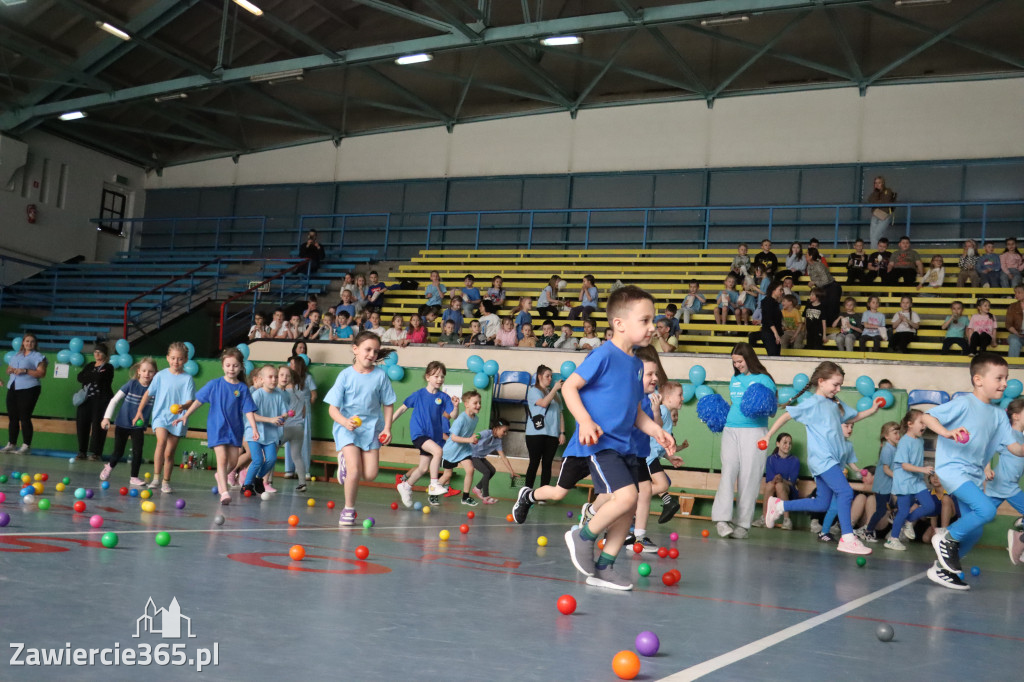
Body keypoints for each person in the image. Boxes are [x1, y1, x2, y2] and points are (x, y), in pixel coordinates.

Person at [561, 286, 675, 590]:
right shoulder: (603, 355)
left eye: (654, 320)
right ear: (619, 323)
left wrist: (657, 431)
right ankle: (582, 536)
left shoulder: (637, 365)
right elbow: (569, 388)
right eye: (646, 320)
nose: (653, 326)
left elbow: (635, 411)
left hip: (625, 446)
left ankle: (604, 568)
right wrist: (584, 420)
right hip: (602, 445)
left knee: (631, 502)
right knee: (625, 496)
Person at [920, 352, 1024, 589]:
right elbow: (927, 417)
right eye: (999, 378)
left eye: (1006, 378)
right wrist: (946, 432)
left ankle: (941, 569)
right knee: (987, 510)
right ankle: (946, 536)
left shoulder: (998, 415)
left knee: (975, 530)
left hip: (973, 475)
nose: (1005, 383)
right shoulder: (964, 403)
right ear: (978, 380)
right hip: (953, 469)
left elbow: (1016, 449)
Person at [763, 361, 880, 555]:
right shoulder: (811, 404)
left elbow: (851, 417)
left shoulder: (835, 403)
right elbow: (786, 416)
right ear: (821, 382)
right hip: (823, 459)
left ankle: (779, 505)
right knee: (846, 493)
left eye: (840, 384)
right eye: (835, 384)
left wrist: (872, 411)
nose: (838, 388)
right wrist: (768, 435)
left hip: (832, 460)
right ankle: (847, 538)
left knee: (822, 503)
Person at [325, 332, 396, 525]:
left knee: (371, 474)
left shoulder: (380, 376)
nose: (372, 354)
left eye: (375, 351)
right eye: (367, 349)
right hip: (346, 427)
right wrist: (344, 422)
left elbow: (388, 403)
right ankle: (348, 509)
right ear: (355, 349)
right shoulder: (345, 376)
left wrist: (387, 428)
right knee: (354, 471)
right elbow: (333, 408)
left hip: (371, 429)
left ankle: (346, 463)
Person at [172, 348, 258, 504]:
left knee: (233, 461)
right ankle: (224, 492)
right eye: (228, 365)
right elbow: (198, 401)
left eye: (235, 365)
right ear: (223, 366)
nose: (231, 369)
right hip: (217, 428)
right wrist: (185, 414)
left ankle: (221, 477)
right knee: (223, 459)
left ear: (240, 367)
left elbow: (249, 411)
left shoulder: (242, 388)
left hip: (235, 430)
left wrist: (255, 428)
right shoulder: (214, 384)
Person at [713, 343, 777, 539]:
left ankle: (743, 525)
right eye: (734, 362)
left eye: (740, 361)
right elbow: (735, 403)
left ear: (749, 358)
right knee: (728, 472)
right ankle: (722, 520)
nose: (737, 365)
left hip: (755, 431)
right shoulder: (735, 379)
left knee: (750, 477)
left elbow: (772, 408)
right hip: (731, 428)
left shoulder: (764, 380)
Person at [134, 342, 195, 494]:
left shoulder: (188, 379)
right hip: (161, 416)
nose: (176, 362)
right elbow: (148, 393)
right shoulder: (160, 375)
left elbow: (190, 401)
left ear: (186, 360)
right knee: (161, 442)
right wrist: (139, 411)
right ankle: (156, 478)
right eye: (173, 358)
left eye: (180, 359)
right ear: (167, 358)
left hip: (177, 419)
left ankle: (166, 482)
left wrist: (183, 407)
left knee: (169, 453)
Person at [393, 361, 455, 508]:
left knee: (423, 468)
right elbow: (402, 408)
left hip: (433, 436)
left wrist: (456, 406)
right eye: (436, 376)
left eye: (442, 377)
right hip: (419, 433)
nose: (440, 379)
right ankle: (434, 484)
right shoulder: (419, 394)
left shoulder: (444, 397)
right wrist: (388, 424)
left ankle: (406, 486)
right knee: (438, 451)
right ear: (428, 377)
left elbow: (453, 414)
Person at [885, 409, 937, 551]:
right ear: (910, 424)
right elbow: (904, 465)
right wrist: (923, 470)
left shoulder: (919, 440)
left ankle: (908, 521)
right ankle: (892, 539)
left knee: (930, 506)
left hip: (916, 480)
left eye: (925, 423)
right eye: (921, 422)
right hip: (904, 481)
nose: (924, 426)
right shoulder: (904, 442)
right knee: (903, 510)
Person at [100, 357, 157, 485]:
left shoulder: (155, 389)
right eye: (144, 370)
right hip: (123, 423)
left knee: (138, 451)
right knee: (118, 452)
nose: (147, 374)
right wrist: (106, 418)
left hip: (138, 426)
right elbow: (114, 400)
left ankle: (134, 477)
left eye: (151, 371)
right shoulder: (131, 384)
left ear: (155, 373)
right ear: (139, 371)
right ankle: (109, 466)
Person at [984, 398, 1024, 565]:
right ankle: (1019, 536)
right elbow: (987, 448)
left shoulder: (1020, 436)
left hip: (999, 486)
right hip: (1006, 484)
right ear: (1015, 416)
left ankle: (951, 537)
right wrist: (986, 468)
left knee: (979, 517)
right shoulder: (1008, 434)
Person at [239, 365, 289, 497]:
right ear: (261, 379)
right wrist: (270, 419)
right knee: (257, 460)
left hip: (271, 434)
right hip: (254, 433)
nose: (274, 379)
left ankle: (258, 478)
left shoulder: (278, 395)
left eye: (275, 377)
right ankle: (246, 485)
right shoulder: (257, 394)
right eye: (270, 377)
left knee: (271, 459)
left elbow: (284, 413)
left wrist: (282, 418)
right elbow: (251, 415)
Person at [3, 333, 47, 454]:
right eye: (27, 341)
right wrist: (10, 370)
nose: (29, 343)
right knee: (12, 417)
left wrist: (25, 370)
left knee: (25, 417)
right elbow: (8, 369)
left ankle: (26, 445)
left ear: (35, 344)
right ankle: (11, 443)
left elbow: (41, 373)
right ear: (23, 342)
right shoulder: (17, 356)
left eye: (32, 341)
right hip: (13, 387)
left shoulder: (38, 356)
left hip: (29, 388)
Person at [523, 365, 565, 489]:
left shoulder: (557, 395)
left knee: (547, 464)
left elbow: (560, 414)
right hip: (535, 433)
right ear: (539, 377)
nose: (550, 379)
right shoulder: (533, 391)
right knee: (534, 463)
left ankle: (543, 495)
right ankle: (527, 492)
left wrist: (562, 432)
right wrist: (554, 389)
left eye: (551, 376)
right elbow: (543, 403)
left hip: (552, 434)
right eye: (547, 376)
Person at [438, 390, 482, 507]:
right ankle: (433, 493)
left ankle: (465, 497)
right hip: (451, 451)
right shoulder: (461, 419)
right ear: (466, 404)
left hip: (464, 449)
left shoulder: (475, 419)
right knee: (447, 475)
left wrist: (472, 438)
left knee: (470, 470)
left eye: (480, 403)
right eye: (475, 403)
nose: (479, 405)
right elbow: (453, 437)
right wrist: (469, 440)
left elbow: (467, 435)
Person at [280, 348, 316, 481]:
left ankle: (305, 470)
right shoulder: (287, 379)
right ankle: (289, 469)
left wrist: (305, 407)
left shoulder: (308, 378)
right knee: (289, 439)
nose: (291, 366)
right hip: (290, 413)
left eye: (293, 364)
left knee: (303, 439)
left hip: (302, 413)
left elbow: (313, 395)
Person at [75, 343, 114, 462]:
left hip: (101, 401)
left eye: (100, 352)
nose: (97, 354)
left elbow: (99, 379)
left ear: (105, 355)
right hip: (86, 400)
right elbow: (80, 377)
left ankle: (96, 453)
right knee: (82, 424)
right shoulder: (90, 365)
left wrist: (91, 376)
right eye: (95, 351)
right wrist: (94, 375)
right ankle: (82, 451)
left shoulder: (108, 367)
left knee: (99, 426)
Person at [861, 421, 899, 542]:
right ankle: (867, 531)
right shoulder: (887, 450)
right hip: (883, 486)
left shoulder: (893, 448)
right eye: (895, 433)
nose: (898, 435)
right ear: (886, 436)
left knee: (894, 504)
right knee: (881, 510)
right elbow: (886, 469)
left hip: (888, 486)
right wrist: (898, 477)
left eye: (899, 432)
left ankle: (893, 515)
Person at [754, 433, 798, 529]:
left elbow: (792, 482)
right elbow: (769, 480)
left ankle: (787, 520)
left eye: (790, 443)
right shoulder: (770, 459)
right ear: (778, 444)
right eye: (785, 443)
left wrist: (782, 480)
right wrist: (775, 479)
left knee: (780, 486)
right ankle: (765, 518)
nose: (787, 445)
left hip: (788, 490)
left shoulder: (795, 460)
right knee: (770, 485)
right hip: (773, 488)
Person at [278, 366, 309, 491]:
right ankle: (302, 483)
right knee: (297, 456)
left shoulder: (281, 393)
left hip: (285, 428)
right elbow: (304, 413)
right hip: (298, 428)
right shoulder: (301, 394)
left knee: (271, 453)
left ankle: (267, 481)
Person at [469, 418, 514, 504]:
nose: (505, 434)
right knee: (486, 472)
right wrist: (474, 437)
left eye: (506, 432)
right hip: (472, 455)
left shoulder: (498, 441)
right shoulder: (487, 433)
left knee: (492, 470)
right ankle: (486, 497)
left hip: (481, 457)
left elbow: (503, 457)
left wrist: (511, 471)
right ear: (496, 428)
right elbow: (477, 435)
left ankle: (477, 488)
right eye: (504, 431)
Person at [867, 176, 896, 246]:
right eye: (875, 183)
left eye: (879, 183)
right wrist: (876, 193)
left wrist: (876, 202)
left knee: (876, 236)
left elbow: (885, 201)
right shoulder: (874, 193)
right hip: (875, 215)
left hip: (884, 215)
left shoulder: (888, 191)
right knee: (872, 237)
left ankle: (873, 254)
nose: (877, 185)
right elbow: (869, 201)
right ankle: (875, 254)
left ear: (883, 183)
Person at [758, 280, 784, 356]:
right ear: (773, 290)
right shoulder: (767, 302)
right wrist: (776, 334)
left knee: (776, 356)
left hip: (774, 333)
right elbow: (768, 319)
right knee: (773, 356)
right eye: (780, 289)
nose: (782, 292)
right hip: (769, 333)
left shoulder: (775, 303)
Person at [1006, 285, 1024, 358]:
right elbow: (1008, 324)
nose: (1016, 295)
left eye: (1019, 292)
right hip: (1016, 334)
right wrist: (1016, 333)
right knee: (1014, 341)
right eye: (1015, 292)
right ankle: (1012, 365)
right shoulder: (1012, 306)